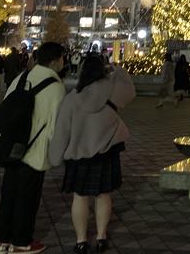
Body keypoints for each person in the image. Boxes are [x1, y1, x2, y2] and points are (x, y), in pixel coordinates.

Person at [49, 56, 136, 253]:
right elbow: (130, 89)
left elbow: (62, 132)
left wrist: (54, 157)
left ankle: (81, 241)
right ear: (103, 71)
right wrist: (118, 68)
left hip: (78, 155)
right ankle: (101, 236)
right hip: (106, 152)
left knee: (79, 197)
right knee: (103, 195)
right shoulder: (113, 94)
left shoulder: (71, 99)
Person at [0, 42, 66, 254]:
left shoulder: (21, 78)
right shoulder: (55, 87)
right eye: (62, 58)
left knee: (8, 194)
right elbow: (56, 125)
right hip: (35, 150)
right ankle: (21, 242)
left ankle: (4, 241)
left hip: (11, 148)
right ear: (55, 61)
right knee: (28, 197)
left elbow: (5, 109)